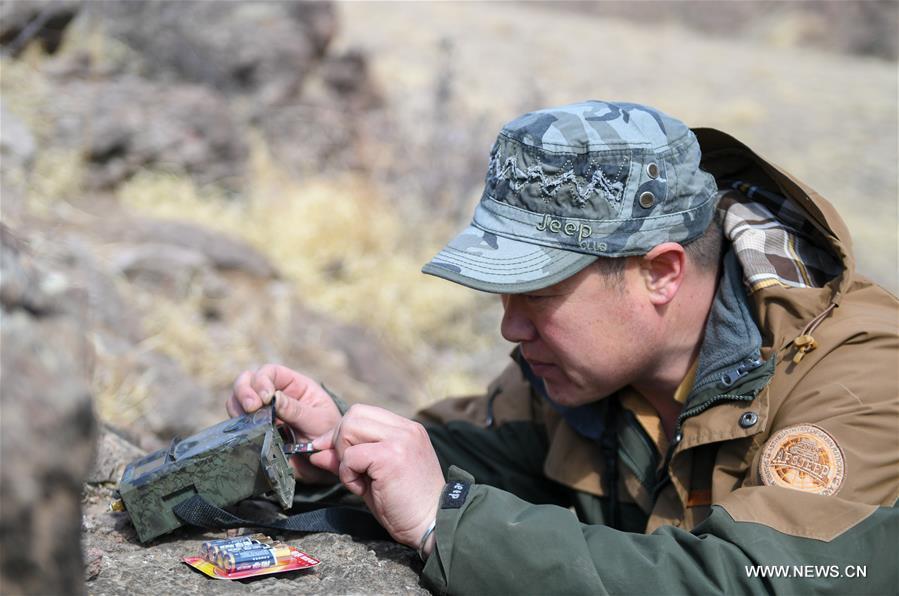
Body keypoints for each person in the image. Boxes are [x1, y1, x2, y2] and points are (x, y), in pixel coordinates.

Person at [228, 101, 898, 593]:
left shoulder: (860, 373)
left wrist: (446, 522)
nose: (511, 330)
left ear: (659, 273)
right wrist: (340, 447)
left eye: (538, 295)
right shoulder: (587, 368)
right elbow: (485, 456)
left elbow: (761, 584)